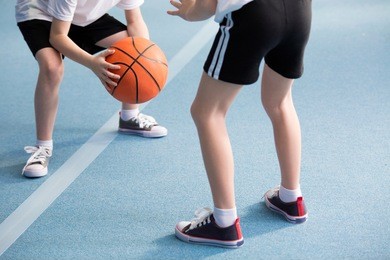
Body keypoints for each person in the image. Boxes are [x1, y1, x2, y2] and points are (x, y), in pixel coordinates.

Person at [168, 0, 312, 248]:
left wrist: (190, 12)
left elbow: (208, 3)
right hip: (299, 12)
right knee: (280, 103)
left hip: (256, 14)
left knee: (207, 112)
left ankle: (224, 222)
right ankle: (291, 197)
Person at [16, 0, 167, 178]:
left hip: (83, 17)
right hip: (41, 13)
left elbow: (135, 21)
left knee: (129, 46)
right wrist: (91, 63)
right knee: (52, 68)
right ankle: (43, 147)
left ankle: (129, 116)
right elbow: (57, 36)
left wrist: (143, 58)